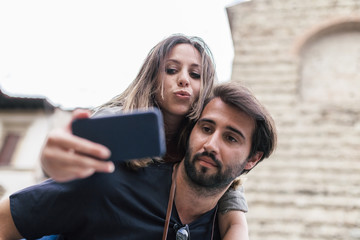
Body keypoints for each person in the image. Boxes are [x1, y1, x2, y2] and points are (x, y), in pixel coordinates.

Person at [0, 82, 277, 239]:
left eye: (231, 138)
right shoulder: (109, 182)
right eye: (206, 128)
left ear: (252, 159)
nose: (211, 144)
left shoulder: (226, 228)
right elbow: (5, 220)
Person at [38, 34, 249, 238]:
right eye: (172, 70)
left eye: (195, 75)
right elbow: (67, 168)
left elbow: (230, 203)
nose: (184, 79)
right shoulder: (116, 120)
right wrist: (51, 162)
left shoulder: (204, 142)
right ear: (152, 76)